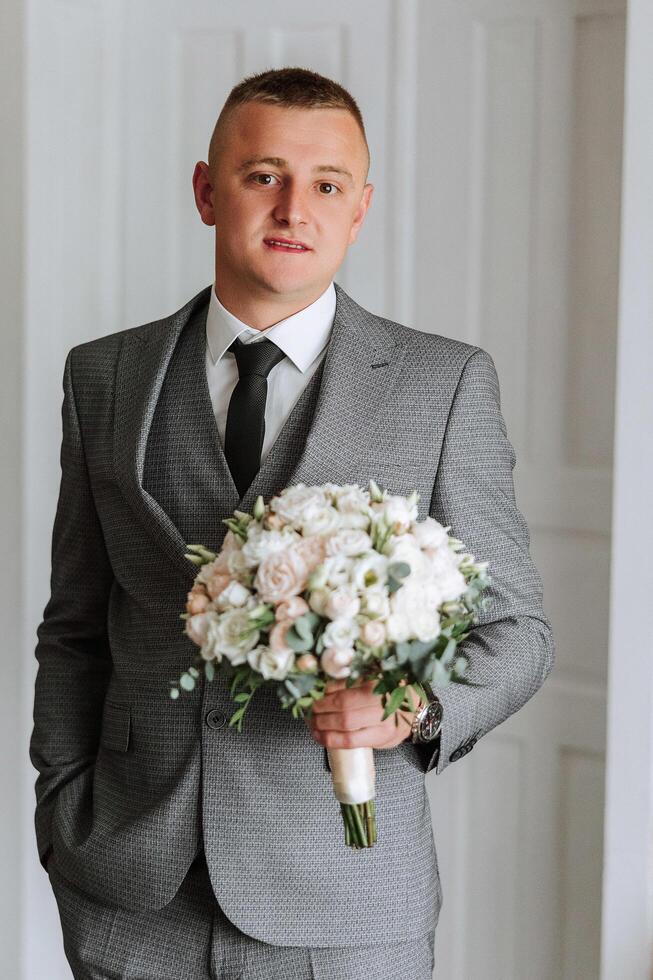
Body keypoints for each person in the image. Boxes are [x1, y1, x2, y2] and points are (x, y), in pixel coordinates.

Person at [29, 66, 555, 980]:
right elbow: (76, 629)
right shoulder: (103, 377)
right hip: (128, 888)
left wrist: (410, 709)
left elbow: (518, 632)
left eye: (326, 185)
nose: (291, 209)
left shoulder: (443, 385)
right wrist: (64, 810)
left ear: (360, 208)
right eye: (262, 175)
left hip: (344, 897)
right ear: (206, 190)